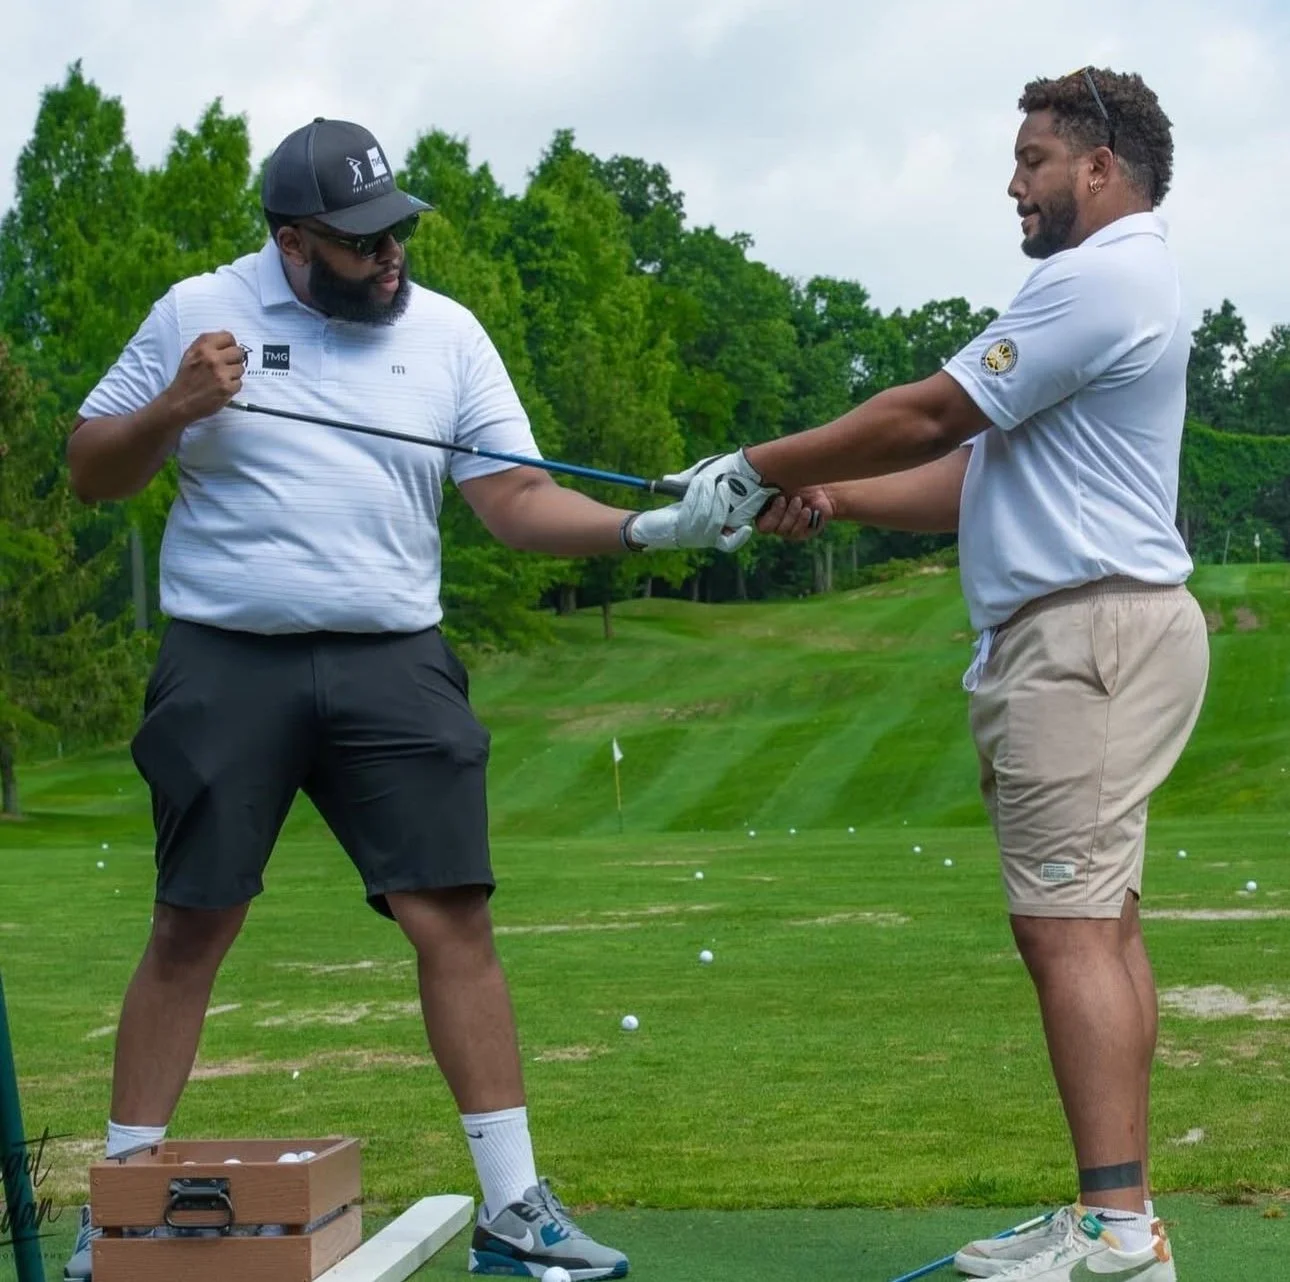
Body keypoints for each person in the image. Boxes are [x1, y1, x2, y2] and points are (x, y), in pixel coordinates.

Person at [62, 116, 749, 1282]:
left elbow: (516, 500)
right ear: (291, 241)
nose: (390, 259)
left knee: (453, 917)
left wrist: (648, 527)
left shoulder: (446, 334)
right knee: (191, 920)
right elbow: (91, 467)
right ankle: (121, 1212)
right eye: (359, 243)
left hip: (394, 658)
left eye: (396, 234)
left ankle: (514, 1208)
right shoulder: (194, 312)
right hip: (228, 656)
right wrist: (174, 407)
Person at [673, 68, 1207, 1282]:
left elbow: (929, 416)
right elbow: (974, 478)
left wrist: (752, 464)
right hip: (1098, 627)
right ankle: (1114, 1214)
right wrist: (825, 492)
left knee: (1065, 927)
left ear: (1100, 167)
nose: (1012, 182)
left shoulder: (1103, 275)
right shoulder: (1103, 285)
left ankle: (1118, 1231)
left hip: (1087, 637)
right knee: (1100, 926)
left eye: (1031, 160)